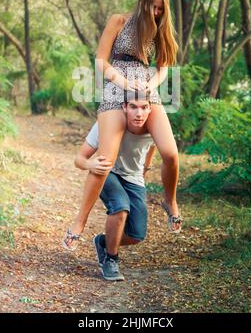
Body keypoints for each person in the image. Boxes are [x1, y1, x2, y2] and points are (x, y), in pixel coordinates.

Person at [63, 0, 181, 247]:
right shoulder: (119, 21)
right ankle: (80, 221)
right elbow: (101, 61)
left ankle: (170, 199)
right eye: (153, 7)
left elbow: (163, 68)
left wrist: (151, 85)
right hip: (117, 87)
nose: (156, 13)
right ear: (142, 2)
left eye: (161, 9)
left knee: (171, 153)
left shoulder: (161, 29)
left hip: (146, 89)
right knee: (106, 159)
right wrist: (124, 83)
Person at [65, 92, 183, 281]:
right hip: (108, 173)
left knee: (137, 234)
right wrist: (90, 165)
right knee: (120, 207)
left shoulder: (154, 128)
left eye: (144, 107)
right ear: (124, 107)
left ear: (150, 109)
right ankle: (111, 260)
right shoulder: (107, 123)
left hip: (134, 178)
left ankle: (103, 242)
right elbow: (79, 159)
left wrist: (145, 169)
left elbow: (152, 147)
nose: (139, 113)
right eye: (134, 107)